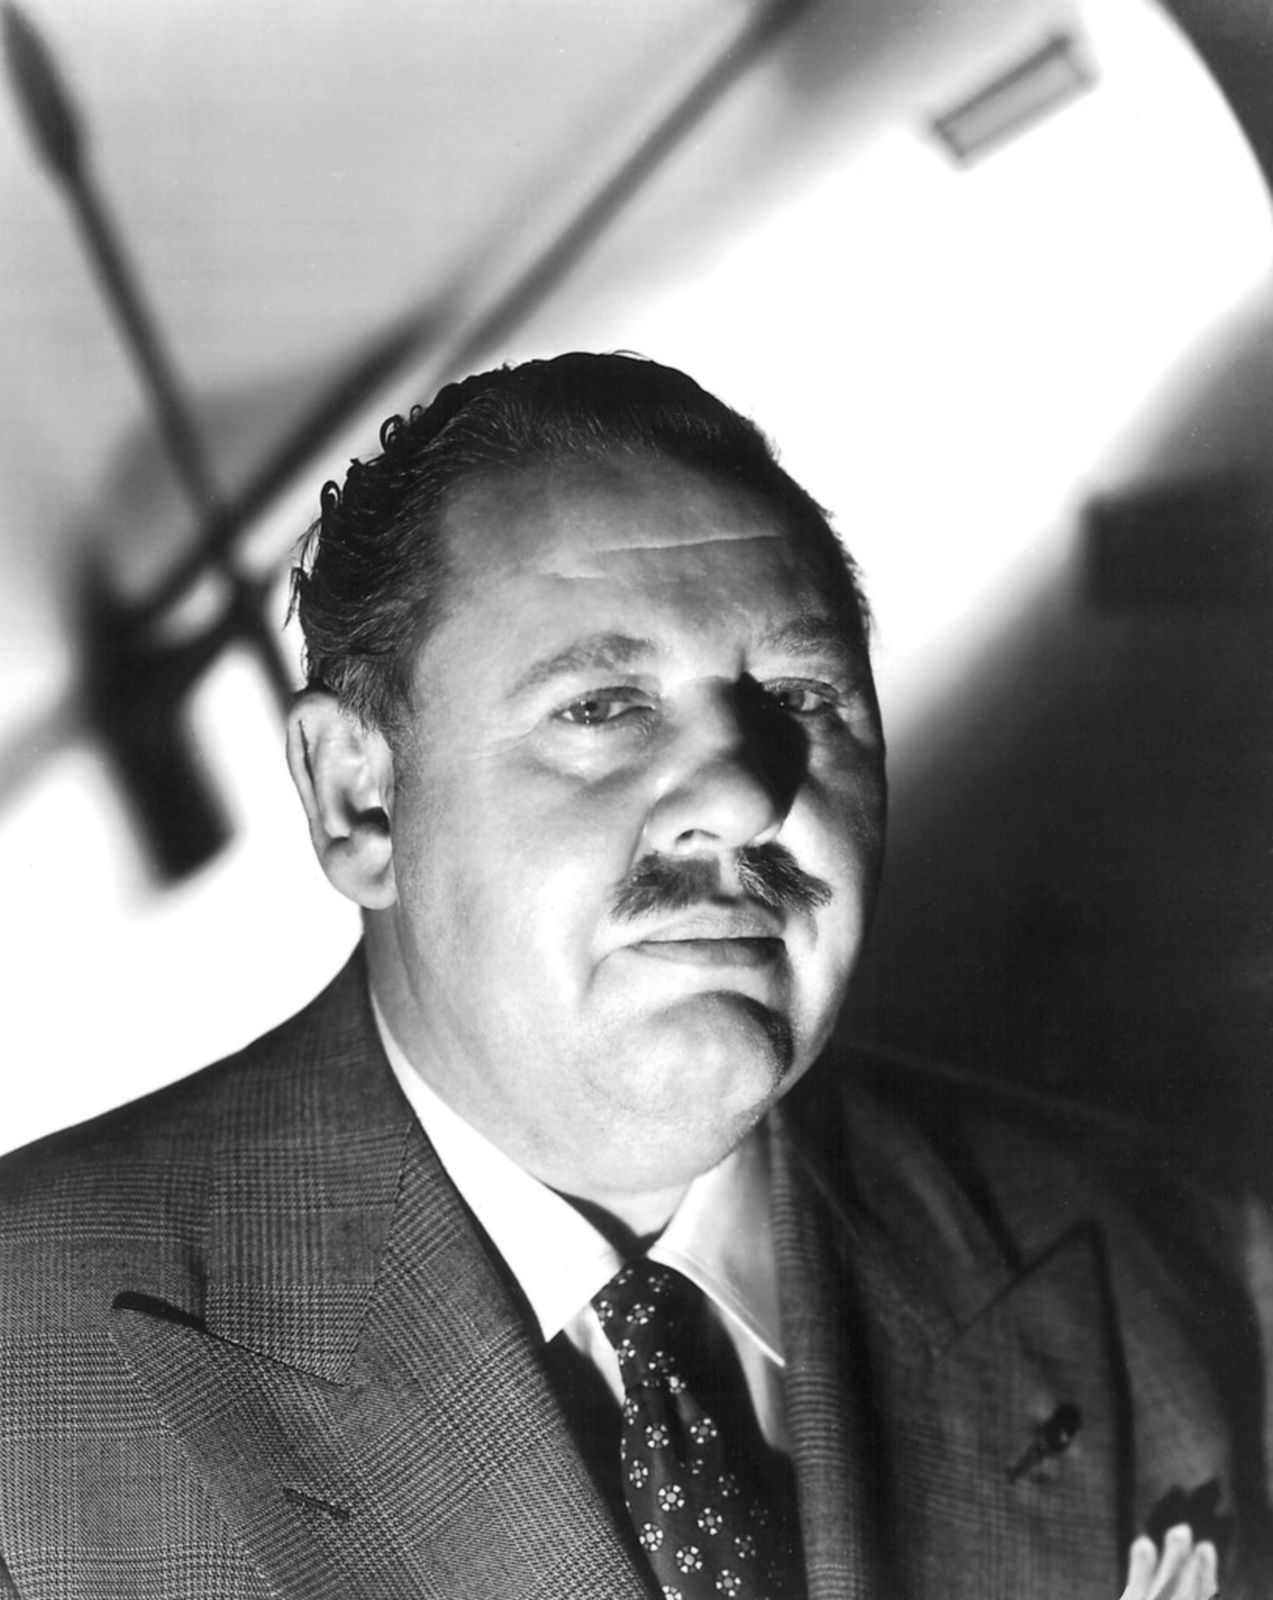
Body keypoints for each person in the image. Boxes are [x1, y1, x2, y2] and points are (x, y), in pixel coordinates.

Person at [0, 353, 1264, 1599]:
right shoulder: (27, 1374)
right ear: (358, 803)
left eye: (800, 696)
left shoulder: (1184, 1257)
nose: (744, 796)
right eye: (602, 707)